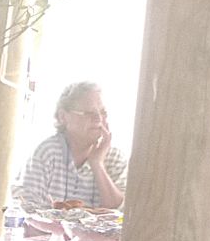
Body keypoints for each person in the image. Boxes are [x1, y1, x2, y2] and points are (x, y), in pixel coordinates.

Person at [14, 81, 127, 212]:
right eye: (88, 113)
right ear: (63, 117)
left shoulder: (115, 157)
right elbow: (29, 208)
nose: (98, 119)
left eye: (103, 112)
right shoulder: (48, 152)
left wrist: (97, 164)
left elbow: (119, 214)